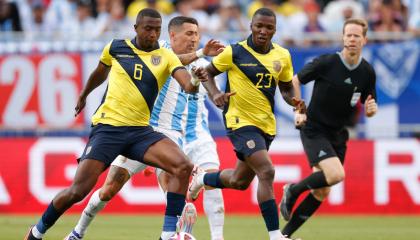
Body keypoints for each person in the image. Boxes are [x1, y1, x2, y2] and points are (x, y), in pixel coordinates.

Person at [25, 8, 204, 240]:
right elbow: (100, 72)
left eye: (157, 30)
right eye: (148, 29)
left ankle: (168, 235)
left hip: (140, 132)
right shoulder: (116, 47)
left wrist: (196, 79)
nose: (152, 34)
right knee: (77, 191)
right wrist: (84, 94)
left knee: (182, 166)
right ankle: (36, 233)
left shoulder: (166, 56)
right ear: (136, 28)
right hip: (108, 130)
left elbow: (188, 86)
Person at [63, 16, 225, 240]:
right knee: (109, 188)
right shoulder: (160, 50)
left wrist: (217, 95)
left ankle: (175, 233)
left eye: (197, 34)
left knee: (171, 182)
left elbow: (203, 79)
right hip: (140, 129)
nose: (194, 39)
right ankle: (77, 231)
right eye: (189, 34)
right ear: (172, 34)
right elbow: (170, 60)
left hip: (168, 135)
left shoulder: (197, 64)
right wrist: (200, 53)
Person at [188, 8, 306, 240]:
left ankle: (202, 179)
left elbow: (284, 87)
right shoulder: (235, 51)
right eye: (259, 26)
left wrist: (293, 101)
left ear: (274, 30)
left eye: (269, 27)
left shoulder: (282, 55)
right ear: (251, 26)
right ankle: (275, 235)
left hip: (265, 125)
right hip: (239, 121)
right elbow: (208, 73)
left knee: (239, 181)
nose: (263, 31)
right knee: (267, 170)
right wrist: (216, 95)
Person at [279, 18, 378, 238]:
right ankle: (292, 190)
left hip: (338, 134)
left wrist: (371, 109)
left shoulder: (367, 72)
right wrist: (298, 110)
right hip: (314, 128)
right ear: (343, 37)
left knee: (322, 191)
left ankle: (284, 236)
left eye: (356, 36)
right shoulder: (326, 62)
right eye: (348, 35)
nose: (352, 39)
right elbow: (294, 81)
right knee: (336, 174)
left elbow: (370, 105)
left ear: (365, 39)